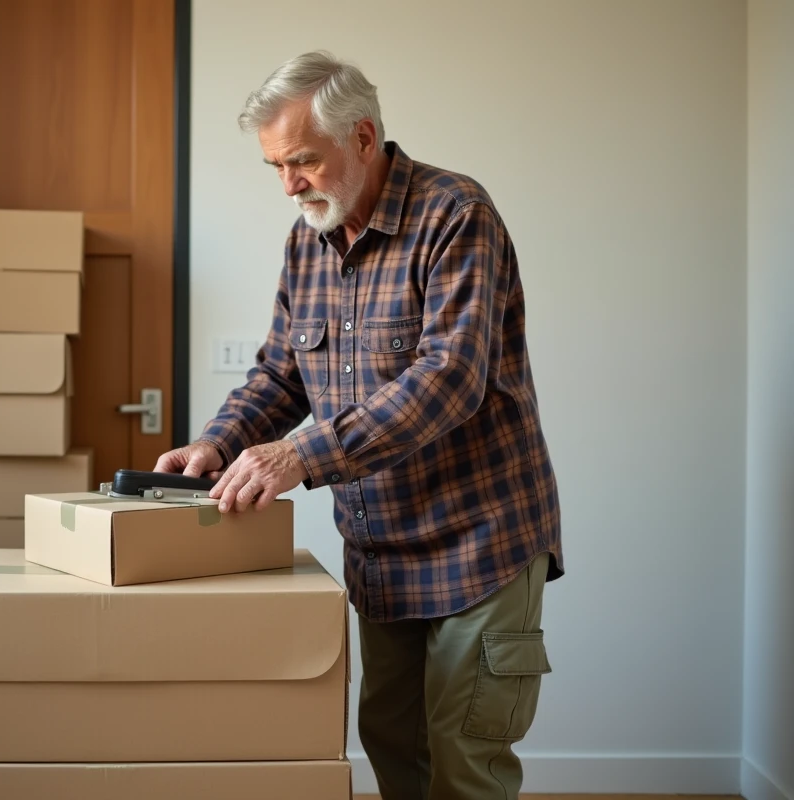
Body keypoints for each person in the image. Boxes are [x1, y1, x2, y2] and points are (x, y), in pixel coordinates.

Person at [154, 51, 564, 799]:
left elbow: (449, 379)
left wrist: (301, 456)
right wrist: (220, 441)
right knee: (394, 752)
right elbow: (281, 373)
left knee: (466, 764)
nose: (289, 185)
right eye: (276, 166)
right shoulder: (306, 242)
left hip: (482, 541)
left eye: (303, 161)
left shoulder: (455, 214)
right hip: (380, 550)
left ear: (365, 136)